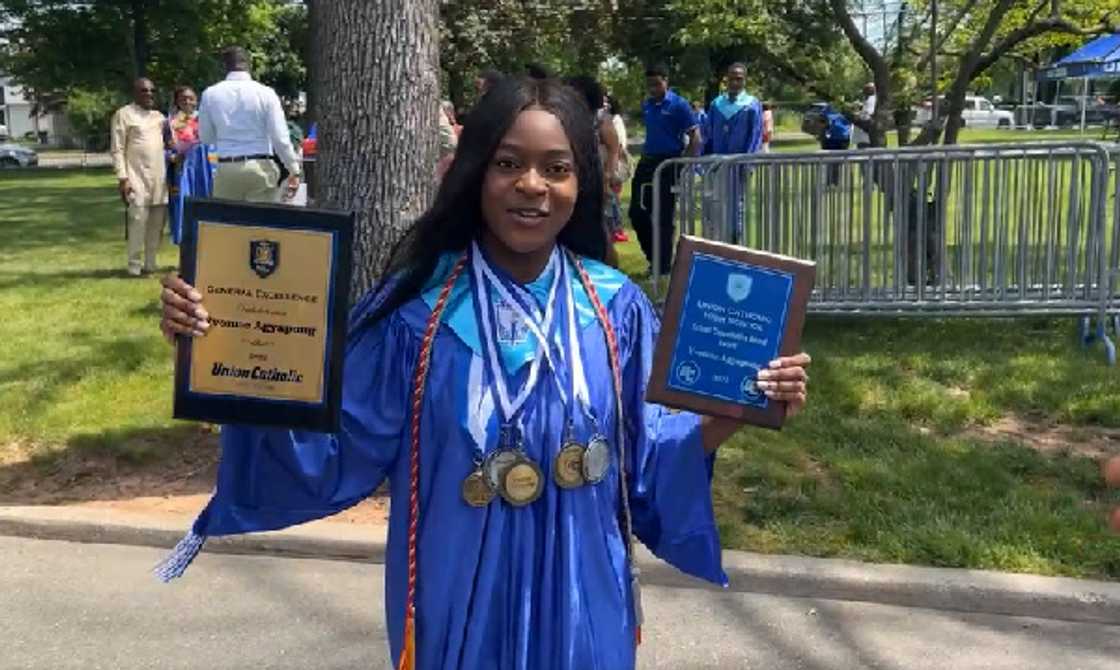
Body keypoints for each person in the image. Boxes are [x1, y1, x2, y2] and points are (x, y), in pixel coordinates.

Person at [156, 76, 812, 670]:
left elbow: (645, 462)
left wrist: (734, 412)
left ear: (581, 183)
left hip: (584, 600)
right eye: (508, 163)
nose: (532, 185)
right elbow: (329, 452)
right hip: (458, 597)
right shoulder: (415, 316)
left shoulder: (616, 310)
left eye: (556, 168)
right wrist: (222, 349)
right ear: (474, 174)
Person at [198, 46, 300, 202]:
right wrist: (293, 169)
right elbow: (280, 138)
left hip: (227, 168)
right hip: (260, 167)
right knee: (260, 217)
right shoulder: (266, 93)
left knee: (226, 217)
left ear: (225, 66)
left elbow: (206, 137)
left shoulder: (210, 94)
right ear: (248, 64)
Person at [628, 63, 701, 276]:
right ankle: (654, 258)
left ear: (666, 81)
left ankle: (662, 266)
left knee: (663, 215)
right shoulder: (648, 105)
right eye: (649, 85)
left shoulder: (679, 105)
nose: (653, 89)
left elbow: (696, 138)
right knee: (637, 212)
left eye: (657, 84)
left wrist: (683, 164)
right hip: (647, 162)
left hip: (668, 162)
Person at [111, 77, 167, 277]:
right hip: (135, 177)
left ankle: (151, 264)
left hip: (159, 178)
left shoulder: (159, 117)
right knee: (137, 220)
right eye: (144, 91)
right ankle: (134, 265)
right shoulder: (124, 114)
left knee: (157, 224)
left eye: (152, 91)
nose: (149, 94)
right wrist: (123, 178)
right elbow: (117, 149)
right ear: (135, 93)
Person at [564, 75, 622, 266]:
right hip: (574, 178)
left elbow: (614, 148)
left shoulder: (600, 120)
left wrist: (608, 176)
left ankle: (609, 270)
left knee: (599, 230)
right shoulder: (566, 118)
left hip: (595, 179)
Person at [165, 85, 214, 244]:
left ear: (196, 100)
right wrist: (172, 157)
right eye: (183, 99)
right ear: (177, 101)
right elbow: (163, 147)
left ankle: (206, 242)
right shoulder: (170, 122)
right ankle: (184, 242)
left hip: (204, 166)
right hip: (182, 169)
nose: (187, 101)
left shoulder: (204, 119)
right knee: (183, 203)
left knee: (205, 201)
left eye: (191, 98)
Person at [702, 63, 763, 156]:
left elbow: (755, 136)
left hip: (742, 161)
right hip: (717, 161)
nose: (734, 83)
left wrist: (748, 160)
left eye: (739, 79)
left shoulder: (752, 105)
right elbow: (708, 135)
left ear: (745, 81)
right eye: (731, 79)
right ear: (726, 80)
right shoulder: (716, 104)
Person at [606, 94, 631, 242]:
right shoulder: (605, 119)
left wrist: (613, 168)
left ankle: (617, 229)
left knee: (613, 198)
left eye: (607, 102)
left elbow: (619, 145)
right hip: (608, 164)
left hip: (615, 164)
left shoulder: (615, 120)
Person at [852, 82, 877, 149]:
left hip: (866, 126)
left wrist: (857, 113)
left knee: (864, 145)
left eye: (867, 89)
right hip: (863, 127)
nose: (865, 91)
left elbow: (869, 113)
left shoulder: (872, 99)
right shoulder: (868, 100)